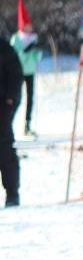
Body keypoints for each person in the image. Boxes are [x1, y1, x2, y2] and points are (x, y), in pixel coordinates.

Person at [10, 0, 43, 137]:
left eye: (30, 26)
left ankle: (27, 125)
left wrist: (37, 50)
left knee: (30, 99)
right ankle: (9, 125)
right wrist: (27, 50)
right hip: (18, 73)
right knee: (16, 98)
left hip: (30, 72)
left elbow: (37, 59)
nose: (29, 28)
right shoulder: (16, 39)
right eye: (27, 26)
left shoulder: (33, 38)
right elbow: (17, 58)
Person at [1, 38, 23, 207]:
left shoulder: (4, 48)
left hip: (2, 108)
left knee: (5, 151)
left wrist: (10, 100)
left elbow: (16, 75)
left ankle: (12, 194)